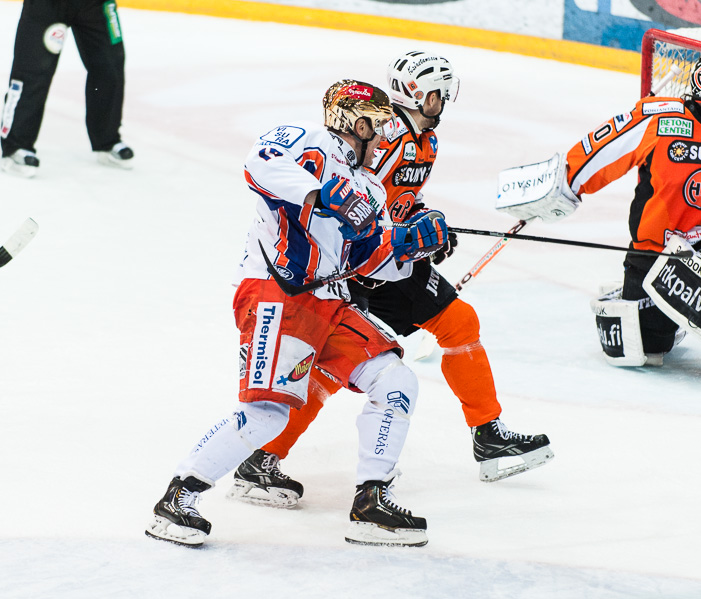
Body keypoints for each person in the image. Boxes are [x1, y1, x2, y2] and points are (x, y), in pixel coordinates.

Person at [226, 52, 554, 509]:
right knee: (329, 369)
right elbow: (357, 207)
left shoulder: (426, 142)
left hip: (388, 260)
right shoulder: (389, 136)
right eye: (437, 90)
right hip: (361, 268)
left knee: (456, 324)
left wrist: (423, 224)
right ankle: (262, 457)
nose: (443, 99)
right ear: (416, 93)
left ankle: (487, 435)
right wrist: (403, 239)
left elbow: (398, 201)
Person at [145, 79, 449, 548]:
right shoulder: (305, 139)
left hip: (328, 303)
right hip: (275, 294)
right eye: (381, 125)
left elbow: (372, 264)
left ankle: (371, 503)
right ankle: (178, 499)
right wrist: (322, 193)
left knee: (395, 381)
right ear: (356, 122)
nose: (387, 136)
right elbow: (257, 166)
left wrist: (411, 247)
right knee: (266, 415)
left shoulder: (369, 185)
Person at [501, 49, 701, 392]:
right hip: (653, 251)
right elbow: (601, 151)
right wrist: (563, 185)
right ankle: (668, 316)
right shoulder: (658, 119)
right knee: (646, 349)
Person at [0, 0, 134, 177]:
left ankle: (107, 140)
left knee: (110, 67)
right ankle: (16, 146)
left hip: (96, 4)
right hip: (47, 5)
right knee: (33, 72)